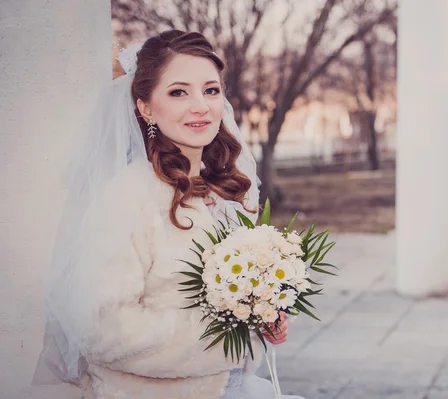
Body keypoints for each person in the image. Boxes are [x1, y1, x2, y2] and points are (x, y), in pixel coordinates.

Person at [32, 30, 304, 399]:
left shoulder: (231, 190)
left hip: (232, 386)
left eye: (210, 90)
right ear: (145, 107)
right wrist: (229, 334)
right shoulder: (128, 196)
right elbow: (103, 328)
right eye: (179, 92)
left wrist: (263, 317)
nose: (201, 106)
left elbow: (237, 298)